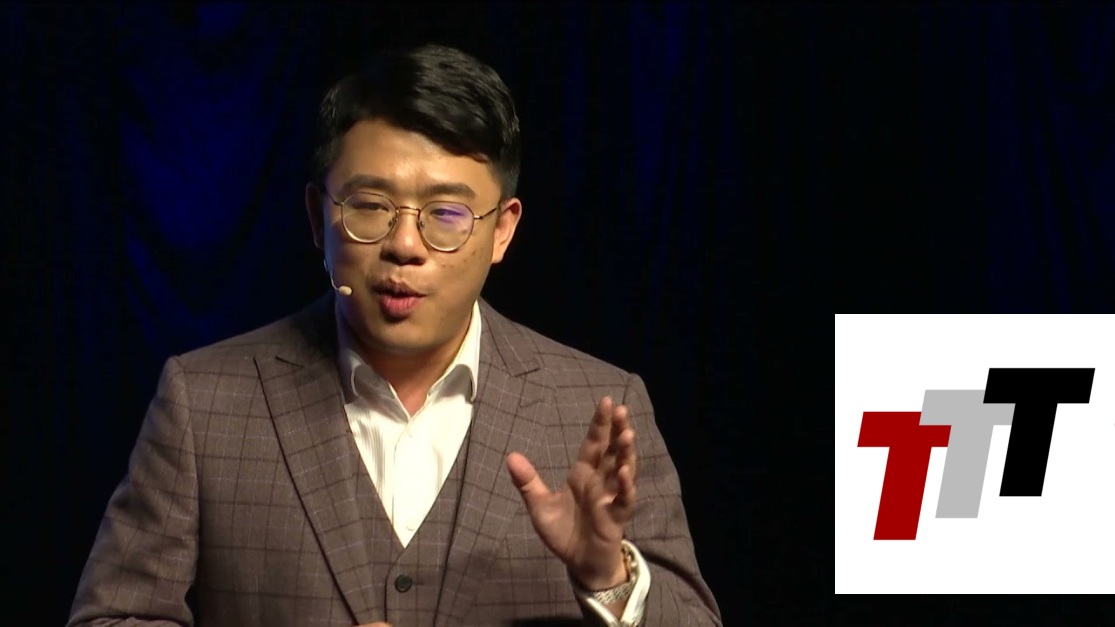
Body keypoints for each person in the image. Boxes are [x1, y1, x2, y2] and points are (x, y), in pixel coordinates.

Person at [67, 43, 722, 627]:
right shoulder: (203, 400)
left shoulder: (599, 406)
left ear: (502, 230)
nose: (405, 244)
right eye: (370, 206)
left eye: (447, 213)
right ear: (316, 216)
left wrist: (607, 576)